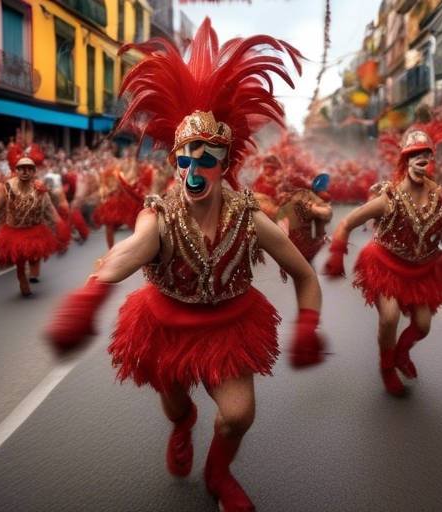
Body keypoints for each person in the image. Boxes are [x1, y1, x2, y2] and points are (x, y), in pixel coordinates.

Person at [46, 21, 324, 511]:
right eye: (185, 157)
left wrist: (308, 323)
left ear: (224, 162)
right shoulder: (157, 213)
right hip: (165, 327)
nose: (195, 168)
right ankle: (182, 424)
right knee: (176, 407)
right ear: (175, 161)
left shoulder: (249, 217)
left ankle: (219, 473)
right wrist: (91, 294)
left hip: (229, 327)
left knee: (239, 415)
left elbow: (303, 273)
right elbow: (131, 251)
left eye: (207, 157)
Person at [324, 127, 442, 396]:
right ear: (405, 161)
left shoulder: (440, 201)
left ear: (431, 160)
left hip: (423, 271)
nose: (420, 160)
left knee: (423, 326)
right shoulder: (390, 198)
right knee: (390, 317)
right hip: (386, 267)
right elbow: (347, 221)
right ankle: (386, 367)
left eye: (425, 155)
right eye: (414, 154)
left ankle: (401, 354)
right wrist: (337, 253)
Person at [0, 144, 67, 296]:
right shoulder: (7, 188)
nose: (25, 172)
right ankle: (23, 280)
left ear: (33, 171)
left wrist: (59, 226)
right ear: (16, 171)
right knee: (20, 261)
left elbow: (50, 210)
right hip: (14, 231)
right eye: (21, 168)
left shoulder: (40, 189)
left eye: (29, 169)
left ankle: (33, 272)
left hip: (35, 230)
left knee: (34, 255)